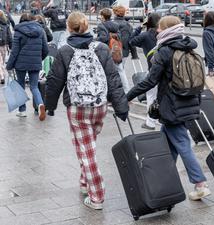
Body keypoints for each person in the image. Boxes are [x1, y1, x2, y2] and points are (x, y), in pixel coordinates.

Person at [45, 12, 129, 210]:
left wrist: (50, 105)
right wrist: (121, 106)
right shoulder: (100, 47)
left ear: (69, 27)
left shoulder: (65, 50)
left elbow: (54, 80)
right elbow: (113, 78)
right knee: (88, 147)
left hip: (77, 108)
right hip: (100, 106)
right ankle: (84, 183)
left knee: (86, 152)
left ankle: (96, 196)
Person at [127, 16, 211, 201]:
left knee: (182, 144)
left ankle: (200, 183)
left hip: (172, 106)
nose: (157, 31)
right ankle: (164, 180)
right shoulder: (188, 46)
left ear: (165, 30)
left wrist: (127, 97)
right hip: (188, 102)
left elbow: (150, 80)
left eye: (159, 29)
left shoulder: (164, 51)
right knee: (169, 144)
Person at [6, 13, 48, 120]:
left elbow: (14, 51)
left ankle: (22, 111)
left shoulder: (18, 31)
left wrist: (9, 65)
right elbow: (46, 50)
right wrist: (39, 59)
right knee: (34, 86)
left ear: (21, 20)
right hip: (35, 62)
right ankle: (40, 105)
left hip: (21, 64)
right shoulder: (40, 30)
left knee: (21, 86)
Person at [129, 12, 161, 130]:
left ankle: (150, 122)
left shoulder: (146, 35)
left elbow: (131, 41)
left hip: (152, 70)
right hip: (166, 70)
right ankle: (162, 120)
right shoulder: (163, 33)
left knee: (151, 95)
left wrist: (139, 27)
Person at [112, 5, 138, 93]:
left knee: (118, 71)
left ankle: (125, 91)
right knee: (120, 69)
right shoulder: (128, 25)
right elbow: (131, 40)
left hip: (114, 51)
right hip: (125, 51)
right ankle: (122, 90)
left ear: (115, 13)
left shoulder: (112, 24)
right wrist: (134, 54)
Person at [0, 10, 12, 85]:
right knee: (2, 62)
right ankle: (2, 76)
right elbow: (10, 37)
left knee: (0, 62)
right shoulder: (6, 25)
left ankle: (2, 76)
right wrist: (11, 47)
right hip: (3, 46)